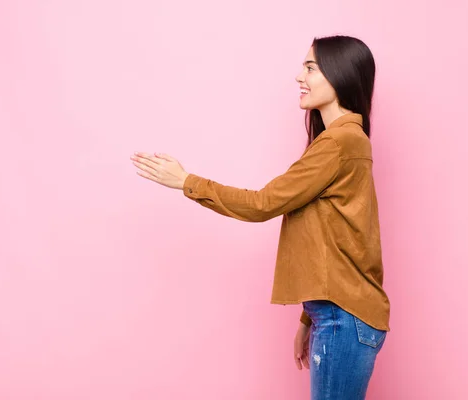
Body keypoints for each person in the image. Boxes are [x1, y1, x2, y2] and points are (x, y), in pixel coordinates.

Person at [130, 35, 390, 400]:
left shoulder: (340, 143)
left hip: (342, 320)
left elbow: (263, 204)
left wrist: (186, 182)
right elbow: (348, 239)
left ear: (340, 74)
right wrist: (308, 318)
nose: (299, 76)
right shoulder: (344, 141)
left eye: (310, 68)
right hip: (337, 317)